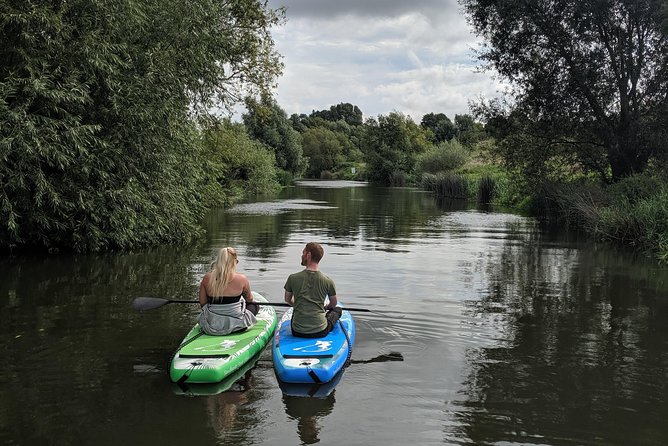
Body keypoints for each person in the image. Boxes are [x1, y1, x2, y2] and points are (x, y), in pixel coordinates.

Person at [284, 242, 342, 338]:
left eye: (303, 253)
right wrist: (325, 307)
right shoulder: (328, 281)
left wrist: (297, 305)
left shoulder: (292, 278)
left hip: (297, 331)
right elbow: (333, 304)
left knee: (295, 312)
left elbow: (287, 299)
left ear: (308, 255)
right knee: (337, 310)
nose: (301, 256)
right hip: (320, 331)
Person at [198, 247, 258, 336]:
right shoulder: (242, 279)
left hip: (212, 325)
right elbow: (249, 299)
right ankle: (240, 326)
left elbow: (203, 303)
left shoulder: (207, 278)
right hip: (237, 325)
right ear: (234, 262)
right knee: (254, 305)